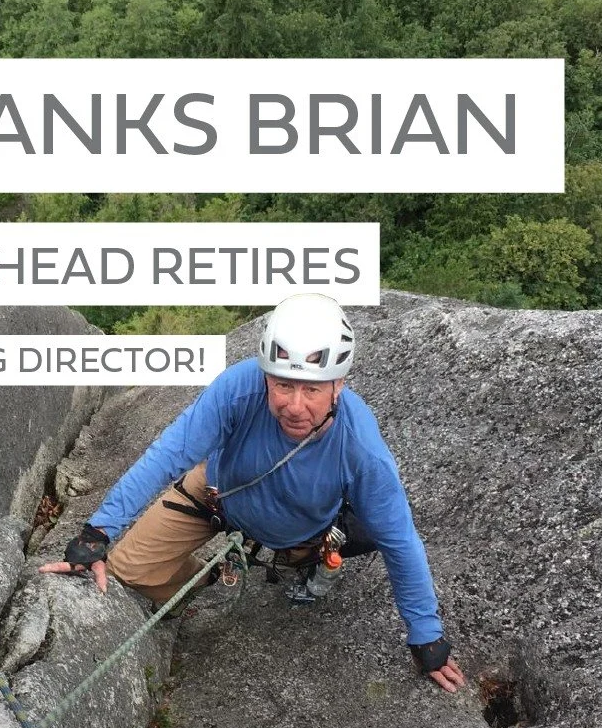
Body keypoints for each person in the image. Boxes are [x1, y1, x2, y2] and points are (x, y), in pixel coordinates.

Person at [40, 293, 465, 693]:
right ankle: (203, 579)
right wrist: (97, 533)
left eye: (312, 389)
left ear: (338, 385)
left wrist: (425, 635)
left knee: (332, 544)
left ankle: (291, 560)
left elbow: (398, 538)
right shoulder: (238, 389)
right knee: (128, 570)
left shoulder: (360, 447)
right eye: (283, 385)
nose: (294, 405)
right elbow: (169, 454)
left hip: (297, 531)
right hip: (216, 493)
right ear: (266, 376)